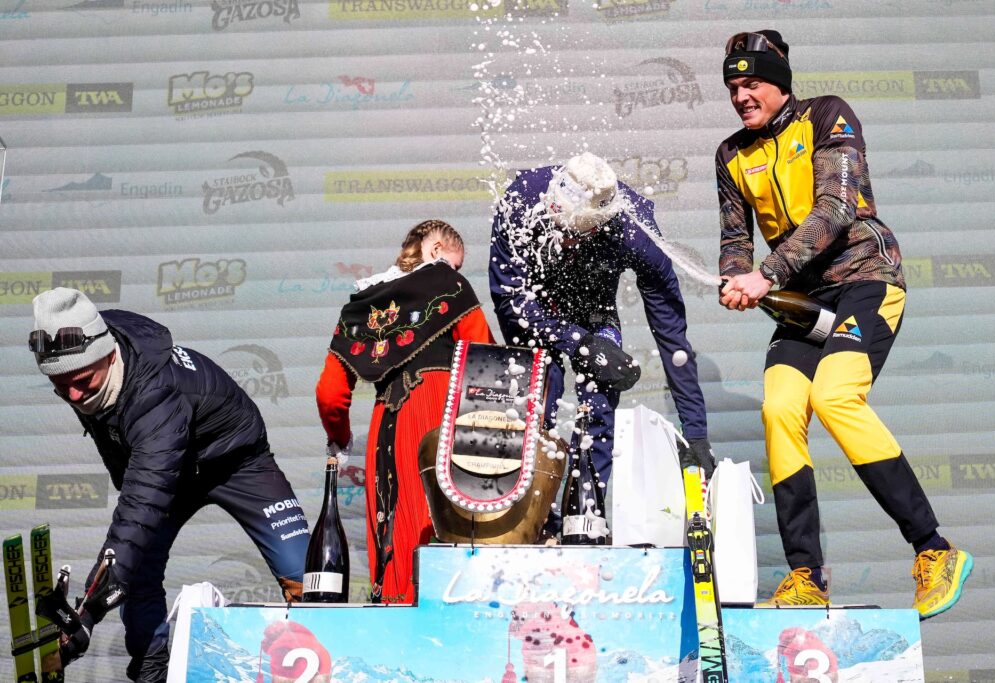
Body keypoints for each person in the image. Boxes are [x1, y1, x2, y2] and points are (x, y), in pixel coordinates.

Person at [715, 29, 971, 618]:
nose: (741, 96)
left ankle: (934, 550)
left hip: (866, 281)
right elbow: (735, 238)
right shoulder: (731, 153)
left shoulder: (828, 116)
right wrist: (735, 277)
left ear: (779, 84)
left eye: (752, 83)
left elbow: (834, 209)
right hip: (803, 302)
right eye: (733, 86)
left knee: (835, 395)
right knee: (780, 407)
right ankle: (805, 575)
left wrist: (767, 272)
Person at [29, 287, 309, 681]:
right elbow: (134, 497)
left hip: (238, 462)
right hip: (164, 472)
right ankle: (151, 674)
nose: (73, 395)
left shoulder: (155, 395)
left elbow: (141, 504)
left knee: (308, 578)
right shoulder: (87, 342)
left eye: (82, 382)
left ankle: (320, 663)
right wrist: (93, 603)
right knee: (134, 574)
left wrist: (87, 613)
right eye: (60, 384)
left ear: (109, 356)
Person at [489, 152, 714, 495]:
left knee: (599, 397)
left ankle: (586, 515)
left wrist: (696, 431)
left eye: (573, 234)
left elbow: (671, 333)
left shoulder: (635, 230)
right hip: (533, 307)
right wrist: (577, 341)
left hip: (593, 306)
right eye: (556, 229)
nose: (563, 241)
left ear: (599, 223)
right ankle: (531, 515)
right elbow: (511, 300)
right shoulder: (520, 198)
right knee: (537, 396)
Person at [315, 220, 494, 604]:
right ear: (436, 251)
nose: (456, 273)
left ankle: (396, 606)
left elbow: (330, 393)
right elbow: (486, 361)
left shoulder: (361, 305)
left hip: (387, 423)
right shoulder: (449, 285)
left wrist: (340, 437)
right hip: (441, 414)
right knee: (445, 521)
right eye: (454, 263)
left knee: (392, 520)